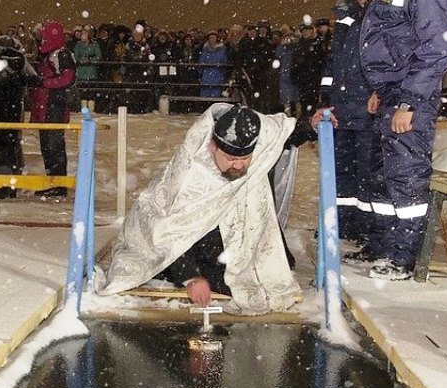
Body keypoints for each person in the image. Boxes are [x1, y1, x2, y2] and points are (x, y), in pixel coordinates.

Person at [95, 104, 323, 315]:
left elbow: (280, 133)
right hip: (196, 240)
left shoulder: (256, 137)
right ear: (214, 147)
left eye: (245, 158)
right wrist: (190, 277)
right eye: (231, 158)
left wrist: (311, 125)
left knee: (268, 270)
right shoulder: (190, 173)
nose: (239, 165)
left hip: (236, 227)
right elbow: (167, 228)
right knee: (222, 280)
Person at [358, 0, 447, 280]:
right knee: (386, 175)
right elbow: (392, 37)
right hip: (393, 93)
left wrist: (408, 103)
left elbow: (435, 49)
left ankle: (405, 257)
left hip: (411, 96)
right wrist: (380, 91)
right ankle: (386, 248)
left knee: (407, 175)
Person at [328, 0, 378, 245]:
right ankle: (344, 224)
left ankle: (368, 228)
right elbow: (335, 63)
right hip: (343, 107)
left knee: (366, 173)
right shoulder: (347, 19)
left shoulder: (381, 17)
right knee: (343, 173)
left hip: (367, 109)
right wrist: (328, 99)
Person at [0, 36, 37, 199]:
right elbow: (30, 81)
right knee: (10, 148)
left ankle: (0, 186)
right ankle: (10, 185)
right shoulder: (20, 66)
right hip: (12, 113)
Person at [30, 20, 76, 198]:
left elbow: (68, 78)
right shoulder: (49, 54)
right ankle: (53, 182)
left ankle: (59, 184)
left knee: (54, 145)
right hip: (45, 106)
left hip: (54, 105)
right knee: (47, 146)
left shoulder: (61, 54)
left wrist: (43, 82)